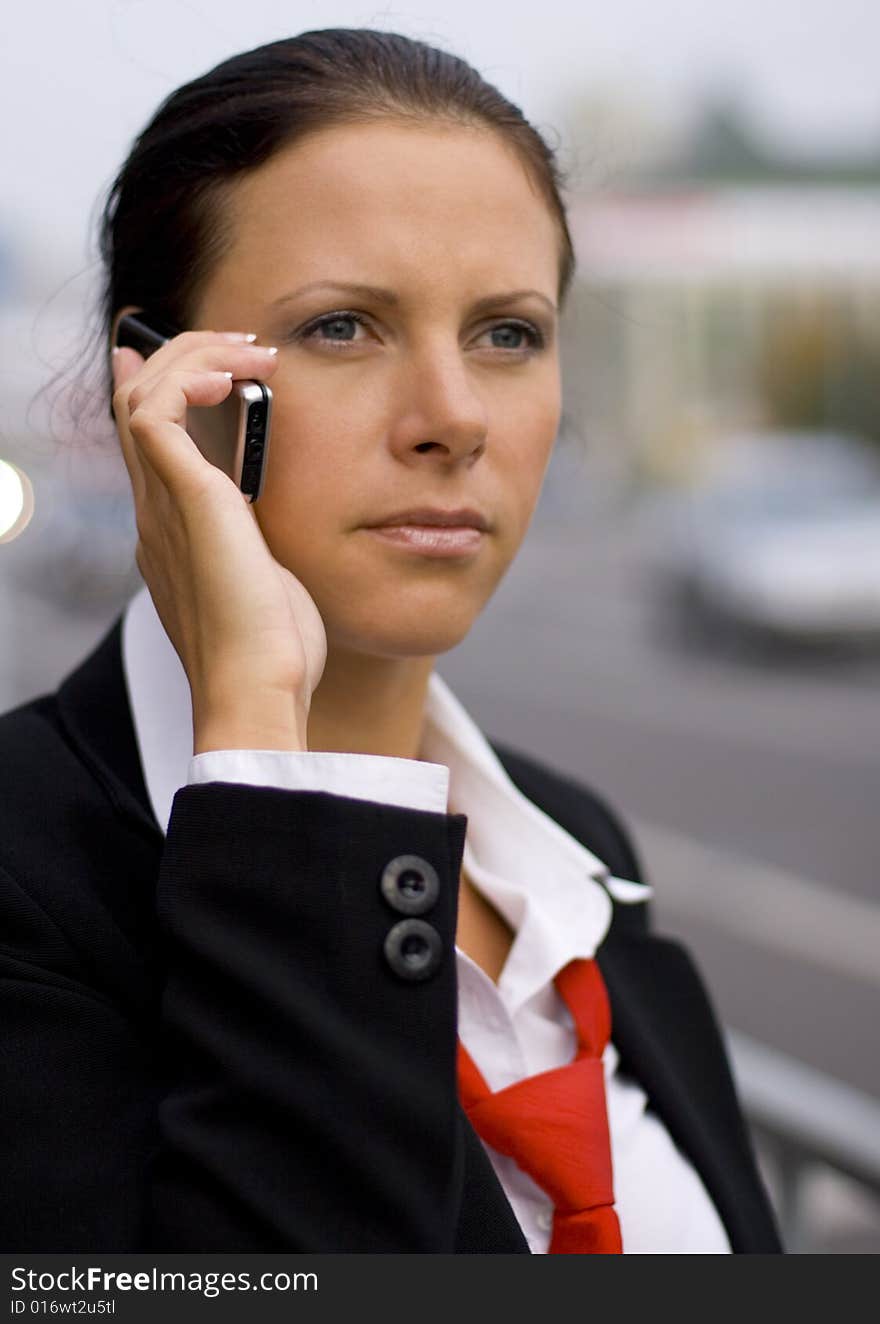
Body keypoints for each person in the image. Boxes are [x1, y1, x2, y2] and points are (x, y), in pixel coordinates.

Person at [0, 28, 781, 1254]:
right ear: (157, 392)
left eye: (507, 333)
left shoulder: (572, 844)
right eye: (343, 329)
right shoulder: (27, 873)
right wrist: (262, 731)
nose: (455, 418)